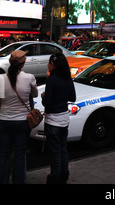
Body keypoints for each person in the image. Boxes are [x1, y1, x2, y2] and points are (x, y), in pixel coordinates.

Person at [0, 50, 38, 184]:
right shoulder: (29, 78)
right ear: (24, 63)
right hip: (22, 122)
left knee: (3, 154)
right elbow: (35, 94)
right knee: (20, 154)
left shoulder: (1, 79)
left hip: (3, 121)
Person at [41, 53, 76, 184]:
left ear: (54, 65)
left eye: (49, 63)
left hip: (53, 120)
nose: (47, 65)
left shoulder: (52, 79)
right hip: (64, 119)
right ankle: (64, 175)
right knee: (63, 150)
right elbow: (72, 97)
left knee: (55, 152)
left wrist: (44, 96)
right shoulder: (68, 78)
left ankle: (55, 178)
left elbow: (47, 103)